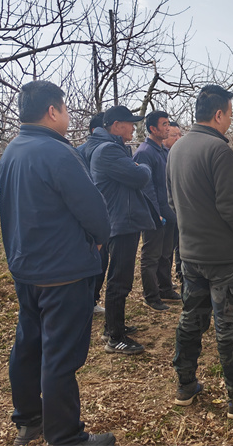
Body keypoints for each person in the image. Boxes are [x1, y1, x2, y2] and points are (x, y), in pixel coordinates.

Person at [0, 80, 115, 446]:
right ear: (52, 111)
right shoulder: (58, 153)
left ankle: (29, 420)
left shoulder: (11, 151)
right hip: (63, 272)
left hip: (27, 270)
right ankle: (65, 436)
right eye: (64, 109)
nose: (67, 116)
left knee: (28, 347)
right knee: (60, 358)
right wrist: (98, 240)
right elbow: (95, 212)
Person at [166, 85, 233, 420]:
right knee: (229, 325)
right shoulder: (218, 150)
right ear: (219, 113)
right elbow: (232, 205)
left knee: (191, 319)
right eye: (230, 114)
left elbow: (171, 202)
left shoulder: (176, 149)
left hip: (190, 253)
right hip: (222, 258)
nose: (230, 121)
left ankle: (185, 385)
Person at [87, 105, 160, 355]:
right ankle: (115, 337)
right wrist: (143, 167)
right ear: (117, 126)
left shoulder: (111, 147)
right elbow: (140, 177)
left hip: (120, 219)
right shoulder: (108, 150)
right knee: (119, 280)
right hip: (121, 221)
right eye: (130, 123)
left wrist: (136, 167)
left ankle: (112, 326)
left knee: (119, 278)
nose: (133, 127)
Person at [133, 111, 181, 311]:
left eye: (168, 124)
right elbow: (146, 186)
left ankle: (165, 289)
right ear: (152, 128)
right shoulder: (145, 152)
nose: (168, 128)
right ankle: (151, 296)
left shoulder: (163, 151)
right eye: (164, 124)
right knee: (151, 256)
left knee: (166, 254)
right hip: (154, 214)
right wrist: (155, 213)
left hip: (168, 211)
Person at [77, 111, 108, 315]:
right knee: (91, 261)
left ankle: (92, 299)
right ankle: (83, 301)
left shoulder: (110, 149)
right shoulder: (78, 153)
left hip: (104, 214)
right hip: (87, 215)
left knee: (102, 261)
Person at [163, 121, 183, 282]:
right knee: (165, 250)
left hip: (179, 208)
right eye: (174, 135)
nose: (178, 138)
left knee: (180, 243)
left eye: (180, 135)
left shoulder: (179, 154)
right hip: (165, 211)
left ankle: (180, 272)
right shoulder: (156, 154)